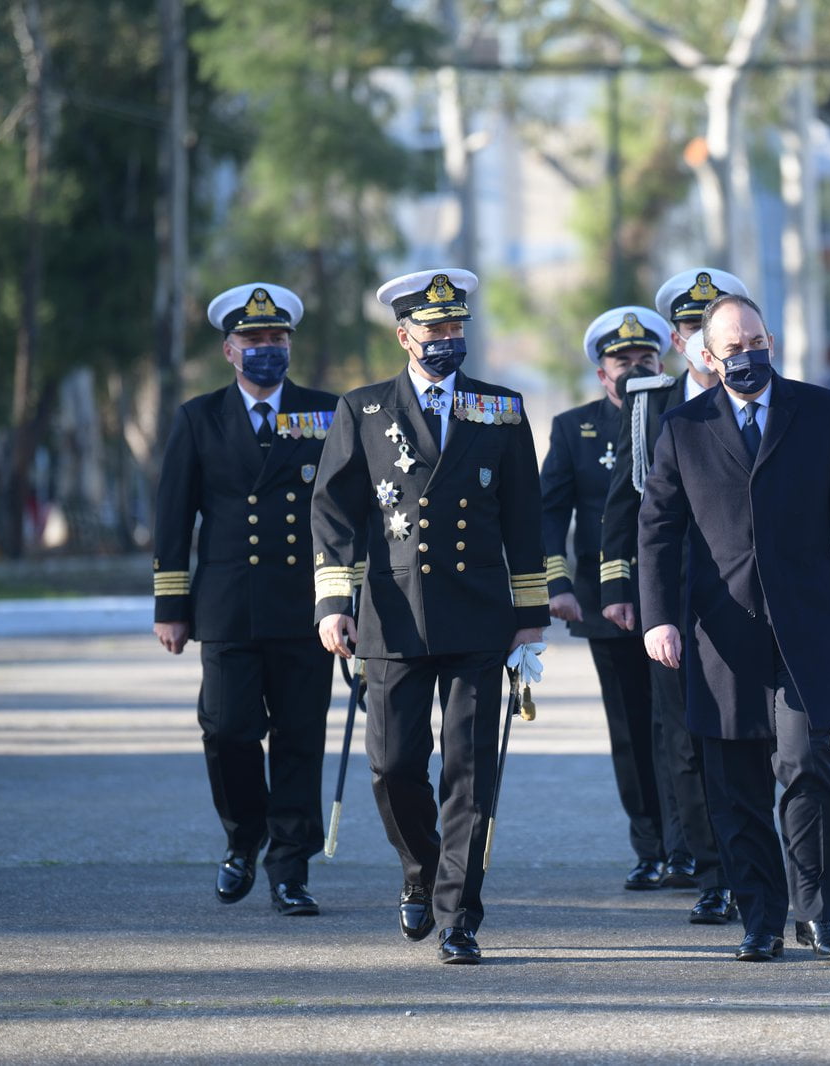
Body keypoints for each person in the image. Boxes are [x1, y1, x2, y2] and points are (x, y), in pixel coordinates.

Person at [310, 268, 548, 964]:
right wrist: (333, 603)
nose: (448, 338)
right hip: (394, 616)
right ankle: (421, 869)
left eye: (455, 326)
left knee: (470, 770)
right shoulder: (364, 409)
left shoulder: (500, 408)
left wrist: (530, 615)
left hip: (478, 616)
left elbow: (524, 517)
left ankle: (458, 915)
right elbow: (333, 510)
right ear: (403, 336)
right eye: (434, 328)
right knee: (392, 766)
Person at [637, 294, 830, 961]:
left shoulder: (819, 411)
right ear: (708, 357)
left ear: (770, 340)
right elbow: (657, 531)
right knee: (736, 784)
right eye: (732, 348)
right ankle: (761, 919)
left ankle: (818, 914)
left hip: (808, 625)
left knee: (806, 765)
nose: (747, 355)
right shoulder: (683, 427)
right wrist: (658, 618)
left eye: (755, 342)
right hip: (723, 635)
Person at [152, 282, 337, 916]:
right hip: (227, 605)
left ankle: (290, 868)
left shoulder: (326, 413)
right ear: (229, 350)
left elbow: (349, 511)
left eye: (277, 338)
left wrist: (349, 601)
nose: (267, 348)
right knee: (227, 729)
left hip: (305, 606)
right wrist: (171, 606)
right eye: (254, 339)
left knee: (299, 738)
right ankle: (243, 837)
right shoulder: (198, 417)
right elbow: (173, 516)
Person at [598, 267, 749, 926]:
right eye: (690, 327)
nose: (700, 337)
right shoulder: (650, 404)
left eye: (710, 324)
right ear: (681, 340)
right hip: (674, 597)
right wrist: (622, 590)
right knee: (682, 740)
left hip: (746, 596)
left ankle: (752, 861)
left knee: (752, 738)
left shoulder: (760, 392)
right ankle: (711, 874)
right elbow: (625, 506)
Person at [541, 305, 671, 891]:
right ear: (602, 373)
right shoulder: (575, 428)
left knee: (681, 727)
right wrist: (558, 584)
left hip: (675, 597)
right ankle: (650, 846)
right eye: (623, 360)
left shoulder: (682, 414)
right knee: (632, 727)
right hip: (606, 602)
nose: (635, 367)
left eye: (646, 357)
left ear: (662, 365)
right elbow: (550, 512)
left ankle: (692, 847)